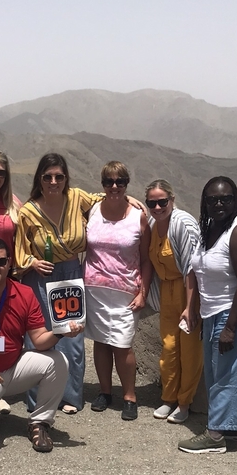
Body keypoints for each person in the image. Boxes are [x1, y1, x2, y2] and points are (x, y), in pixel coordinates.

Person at [15, 152, 145, 413]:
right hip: (40, 276)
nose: (54, 182)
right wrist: (31, 262)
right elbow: (19, 248)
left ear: (66, 179)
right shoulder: (29, 211)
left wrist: (130, 197)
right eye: (48, 176)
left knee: (71, 337)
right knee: (38, 337)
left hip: (72, 273)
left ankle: (70, 396)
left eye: (59, 176)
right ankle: (38, 398)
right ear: (39, 179)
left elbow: (107, 197)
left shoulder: (76, 198)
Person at [0, 238, 83, 452]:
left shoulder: (24, 293)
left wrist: (60, 332)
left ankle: (39, 423)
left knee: (58, 360)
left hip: (13, 367)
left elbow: (40, 341)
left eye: (0, 261)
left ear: (9, 263)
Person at [178, 176, 237, 454]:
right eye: (212, 199)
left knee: (227, 372)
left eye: (225, 199)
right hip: (214, 309)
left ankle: (216, 435)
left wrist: (231, 327)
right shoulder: (211, 226)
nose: (218, 204)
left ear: (236, 200)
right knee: (219, 368)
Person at [84, 162, 152, 420]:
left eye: (120, 182)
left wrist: (143, 292)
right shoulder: (91, 210)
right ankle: (104, 391)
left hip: (125, 290)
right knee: (101, 342)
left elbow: (146, 259)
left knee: (122, 344)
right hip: (94, 288)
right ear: (102, 184)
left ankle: (129, 396)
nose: (114, 186)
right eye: (108, 182)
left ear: (126, 184)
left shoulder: (138, 215)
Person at [145, 179, 203, 425]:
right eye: (152, 203)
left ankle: (184, 402)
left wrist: (191, 307)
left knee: (189, 350)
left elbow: (192, 268)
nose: (157, 208)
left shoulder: (183, 224)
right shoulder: (152, 223)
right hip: (166, 291)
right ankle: (168, 398)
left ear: (172, 200)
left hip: (188, 290)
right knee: (169, 348)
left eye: (162, 202)